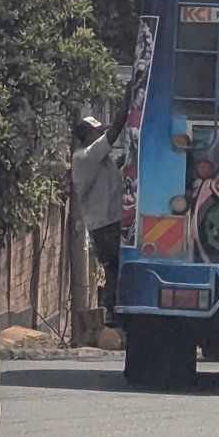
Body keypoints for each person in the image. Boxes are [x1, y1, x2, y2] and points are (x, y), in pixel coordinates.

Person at [71, 90, 130, 323]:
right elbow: (115, 131)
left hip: (109, 220)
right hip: (105, 223)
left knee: (114, 266)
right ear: (88, 136)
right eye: (97, 132)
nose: (101, 134)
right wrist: (127, 100)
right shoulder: (85, 156)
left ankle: (114, 311)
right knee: (115, 265)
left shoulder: (96, 158)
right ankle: (113, 312)